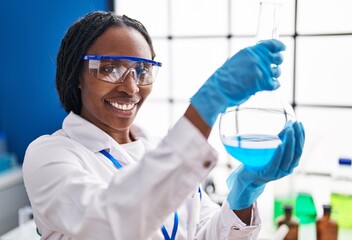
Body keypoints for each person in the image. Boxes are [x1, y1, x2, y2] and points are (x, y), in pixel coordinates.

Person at [22, 11, 305, 240]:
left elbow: (205, 234)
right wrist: (210, 100)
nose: (131, 87)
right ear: (77, 76)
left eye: (142, 71)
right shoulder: (50, 155)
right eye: (109, 68)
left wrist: (244, 194)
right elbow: (112, 223)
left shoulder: (157, 148)